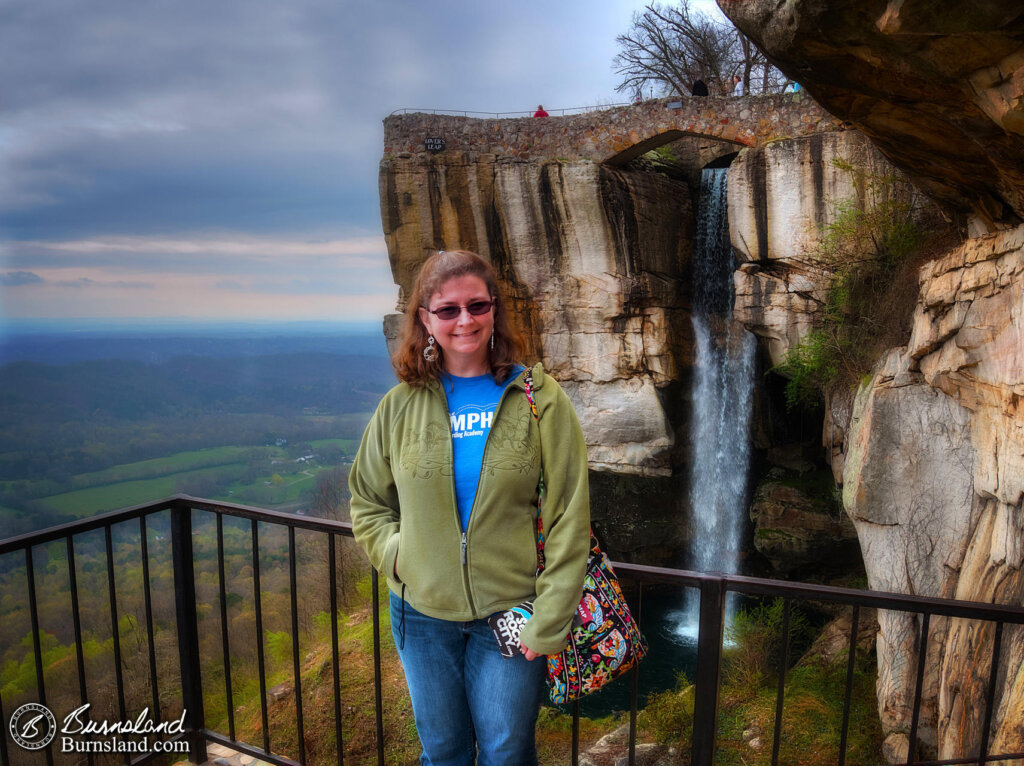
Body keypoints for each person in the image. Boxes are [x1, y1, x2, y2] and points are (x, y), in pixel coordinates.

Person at [349, 250, 591, 766]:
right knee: (443, 752)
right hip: (421, 615)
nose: (465, 320)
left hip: (511, 614)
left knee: (506, 752)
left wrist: (550, 616)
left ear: (495, 311)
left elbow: (570, 511)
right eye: (448, 309)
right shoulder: (400, 406)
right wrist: (398, 554)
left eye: (477, 306)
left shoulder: (539, 400)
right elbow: (367, 499)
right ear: (424, 320)